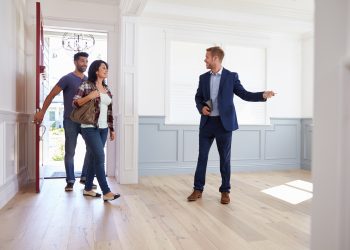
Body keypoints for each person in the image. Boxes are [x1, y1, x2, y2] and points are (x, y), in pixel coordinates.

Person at [187, 46, 275, 204]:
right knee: (202, 157)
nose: (204, 60)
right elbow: (198, 97)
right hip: (207, 124)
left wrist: (263, 95)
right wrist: (201, 108)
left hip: (224, 125)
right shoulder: (203, 78)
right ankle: (197, 189)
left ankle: (225, 191)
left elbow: (245, 94)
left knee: (225, 159)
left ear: (215, 58)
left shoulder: (231, 77)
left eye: (207, 57)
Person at [33, 52, 95, 191]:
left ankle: (84, 177)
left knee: (91, 148)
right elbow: (51, 95)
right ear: (75, 62)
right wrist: (42, 112)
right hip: (70, 121)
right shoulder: (67, 78)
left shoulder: (88, 80)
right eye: (82, 61)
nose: (85, 64)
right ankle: (70, 180)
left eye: (86, 61)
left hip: (86, 122)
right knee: (70, 152)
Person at [73, 60, 120, 201]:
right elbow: (74, 102)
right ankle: (106, 192)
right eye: (103, 68)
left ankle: (88, 189)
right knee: (100, 158)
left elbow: (109, 110)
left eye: (107, 68)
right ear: (96, 70)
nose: (106, 70)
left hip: (103, 129)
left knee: (94, 158)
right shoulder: (86, 85)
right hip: (89, 128)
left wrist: (112, 129)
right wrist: (89, 96)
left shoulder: (107, 89)